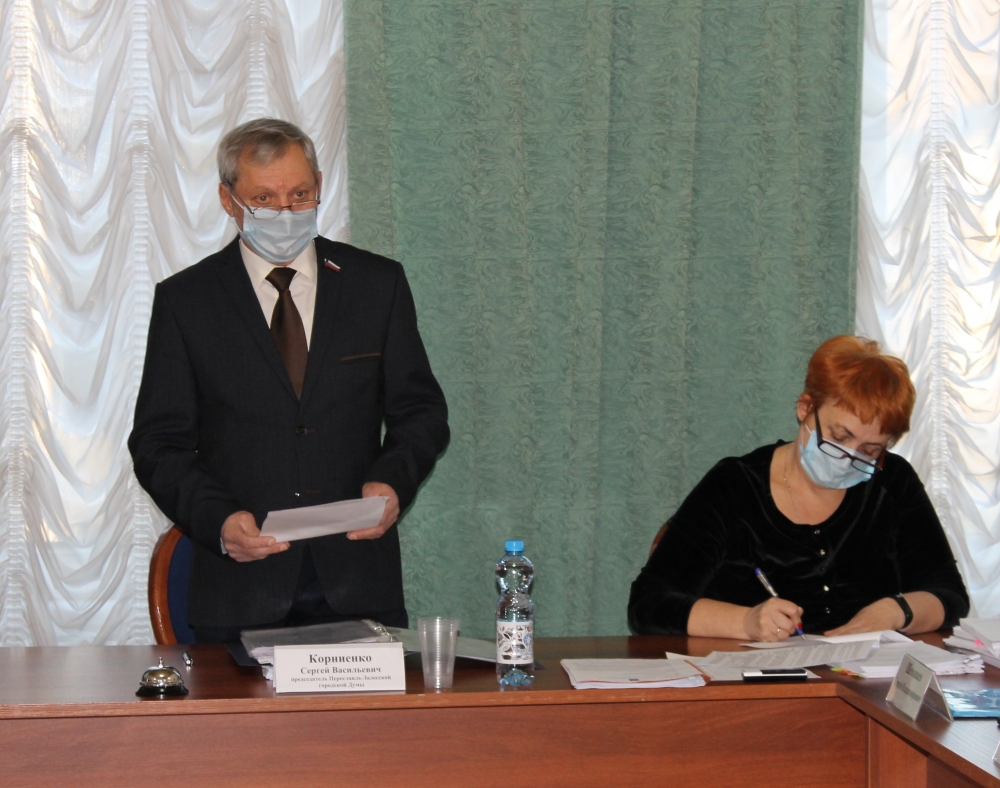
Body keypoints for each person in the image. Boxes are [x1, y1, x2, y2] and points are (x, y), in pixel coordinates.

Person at [129, 118, 449, 642]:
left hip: (357, 576)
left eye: (300, 194)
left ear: (319, 186)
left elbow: (421, 413)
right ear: (229, 200)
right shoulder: (187, 301)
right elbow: (157, 444)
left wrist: (393, 482)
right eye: (264, 199)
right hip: (240, 585)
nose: (285, 212)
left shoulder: (376, 284)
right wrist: (219, 520)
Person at [628, 335, 969, 641]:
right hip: (757, 682)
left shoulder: (893, 482)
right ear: (805, 408)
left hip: (867, 681)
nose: (848, 459)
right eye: (839, 437)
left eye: (869, 451)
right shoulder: (735, 485)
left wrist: (898, 611)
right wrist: (745, 621)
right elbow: (649, 603)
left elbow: (949, 594)